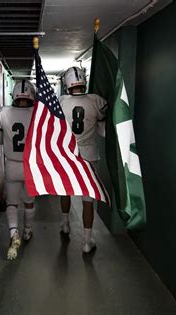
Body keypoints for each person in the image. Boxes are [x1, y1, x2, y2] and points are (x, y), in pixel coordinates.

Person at [59, 66, 107, 253]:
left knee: (65, 190)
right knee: (88, 199)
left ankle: (65, 224)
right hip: (89, 154)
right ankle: (87, 241)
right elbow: (103, 131)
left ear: (67, 84)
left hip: (68, 153)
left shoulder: (62, 101)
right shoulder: (96, 101)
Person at [0, 79, 36, 261]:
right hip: (31, 165)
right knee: (29, 202)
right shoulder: (37, 114)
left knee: (12, 203)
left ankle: (13, 233)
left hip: (12, 164)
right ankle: (27, 231)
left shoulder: (3, 113)